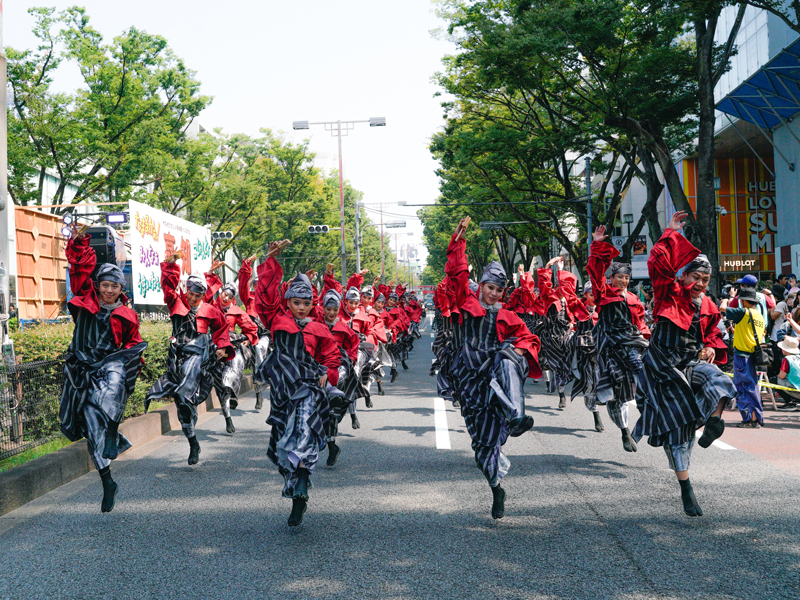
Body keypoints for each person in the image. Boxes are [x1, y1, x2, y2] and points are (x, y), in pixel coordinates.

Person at [633, 211, 736, 517]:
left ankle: (714, 423)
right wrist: (670, 234)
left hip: (690, 362)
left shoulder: (708, 305)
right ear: (683, 276)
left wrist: (710, 348)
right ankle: (686, 490)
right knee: (679, 437)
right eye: (696, 277)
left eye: (705, 279)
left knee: (719, 380)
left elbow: (714, 336)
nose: (701, 284)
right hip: (662, 368)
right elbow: (657, 265)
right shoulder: (669, 292)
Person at [446, 217, 542, 519]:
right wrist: (459, 241)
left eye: (499, 290)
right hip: (469, 381)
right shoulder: (466, 303)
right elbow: (456, 275)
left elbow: (529, 338)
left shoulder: (509, 314)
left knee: (506, 356)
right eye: (489, 287)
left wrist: (514, 348)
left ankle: (516, 416)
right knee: (482, 444)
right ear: (481, 287)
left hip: (495, 380)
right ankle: (496, 486)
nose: (493, 293)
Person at [59, 227, 147, 512]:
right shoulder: (83, 303)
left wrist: (135, 364)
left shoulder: (127, 314)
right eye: (105, 285)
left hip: (111, 365)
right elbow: (79, 265)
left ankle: (112, 428)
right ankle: (107, 482)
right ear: (98, 285)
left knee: (112, 389)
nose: (109, 290)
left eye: (115, 286)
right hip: (82, 369)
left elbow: (133, 344)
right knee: (91, 432)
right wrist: (80, 241)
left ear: (122, 290)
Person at [254, 240, 341, 526]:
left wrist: (327, 377)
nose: (301, 307)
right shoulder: (276, 320)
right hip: (282, 390)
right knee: (283, 443)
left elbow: (331, 358)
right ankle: (296, 495)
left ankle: (303, 479)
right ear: (287, 301)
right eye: (296, 302)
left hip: (309, 389)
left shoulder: (319, 328)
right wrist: (269, 262)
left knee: (304, 428)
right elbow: (265, 297)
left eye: (306, 303)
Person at [146, 250, 234, 466]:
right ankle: (193, 442)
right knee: (183, 408)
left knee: (191, 377)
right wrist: (169, 265)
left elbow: (222, 329)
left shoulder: (210, 310)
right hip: (177, 359)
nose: (193, 298)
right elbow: (168, 286)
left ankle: (191, 395)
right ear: (186, 290)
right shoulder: (175, 303)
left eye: (198, 295)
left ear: (204, 295)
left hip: (200, 358)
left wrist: (222, 347)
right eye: (191, 293)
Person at [583, 225, 651, 451]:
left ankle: (651, 409)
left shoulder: (634, 298)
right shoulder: (603, 294)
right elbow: (595, 272)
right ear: (611, 278)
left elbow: (641, 323)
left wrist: (645, 335)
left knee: (649, 370)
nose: (623, 281)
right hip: (611, 345)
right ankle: (624, 430)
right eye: (619, 277)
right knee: (616, 393)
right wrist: (597, 246)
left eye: (626, 278)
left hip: (633, 342)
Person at [206, 277, 259, 433]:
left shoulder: (237, 311)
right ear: (221, 293)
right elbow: (206, 295)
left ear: (233, 299)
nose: (226, 298)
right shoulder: (211, 307)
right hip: (213, 344)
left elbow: (251, 327)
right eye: (224, 294)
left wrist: (248, 340)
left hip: (231, 343)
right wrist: (209, 275)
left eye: (230, 296)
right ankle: (227, 416)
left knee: (238, 360)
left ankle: (233, 393)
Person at [316, 288, 360, 466]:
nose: (332, 313)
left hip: (339, 367)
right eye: (328, 309)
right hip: (318, 365)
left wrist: (349, 360)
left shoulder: (344, 328)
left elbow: (354, 345)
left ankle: (332, 445)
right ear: (323, 308)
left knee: (333, 406)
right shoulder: (315, 326)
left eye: (335, 310)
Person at [537, 256, 575, 408]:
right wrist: (548, 266)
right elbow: (544, 284)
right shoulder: (549, 297)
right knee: (555, 366)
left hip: (566, 334)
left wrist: (573, 322)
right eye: (559, 284)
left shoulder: (570, 300)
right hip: (552, 335)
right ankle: (561, 395)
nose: (561, 287)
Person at [726, 286, 767, 428]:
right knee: (752, 386)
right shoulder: (758, 315)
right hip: (751, 355)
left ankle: (750, 419)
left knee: (743, 386)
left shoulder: (744, 312)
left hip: (742, 355)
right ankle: (756, 417)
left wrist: (731, 297)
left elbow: (723, 309)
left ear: (744, 301)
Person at [776, 335, 800, 410]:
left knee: (775, 380)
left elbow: (781, 376)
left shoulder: (787, 359)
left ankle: (789, 402)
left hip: (796, 389)